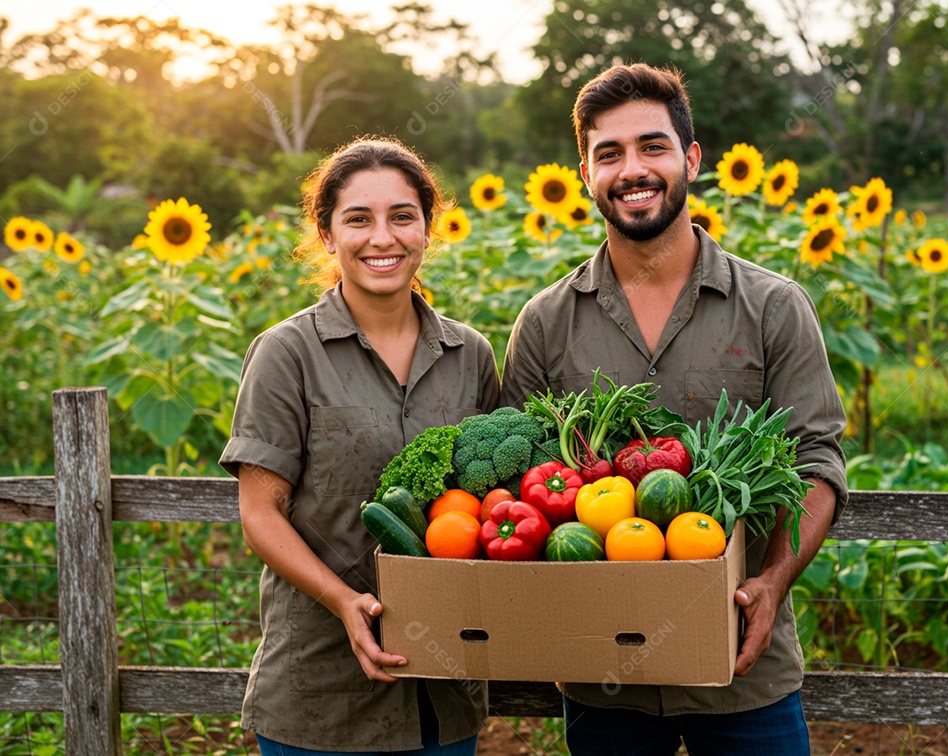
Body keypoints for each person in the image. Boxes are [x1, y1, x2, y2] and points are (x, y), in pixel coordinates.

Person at [499, 64, 848, 755]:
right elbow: (523, 487)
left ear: (691, 158)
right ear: (584, 175)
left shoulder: (774, 307)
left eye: (652, 146)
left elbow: (818, 462)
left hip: (745, 669)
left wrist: (773, 583)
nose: (634, 169)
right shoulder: (543, 323)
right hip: (604, 675)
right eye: (610, 153)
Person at [220, 136, 499, 755]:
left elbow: (489, 503)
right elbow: (260, 514)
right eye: (358, 218)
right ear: (326, 234)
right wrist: (346, 602)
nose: (383, 238)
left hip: (443, 687)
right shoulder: (286, 354)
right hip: (319, 689)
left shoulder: (470, 355)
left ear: (429, 227)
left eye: (403, 216)